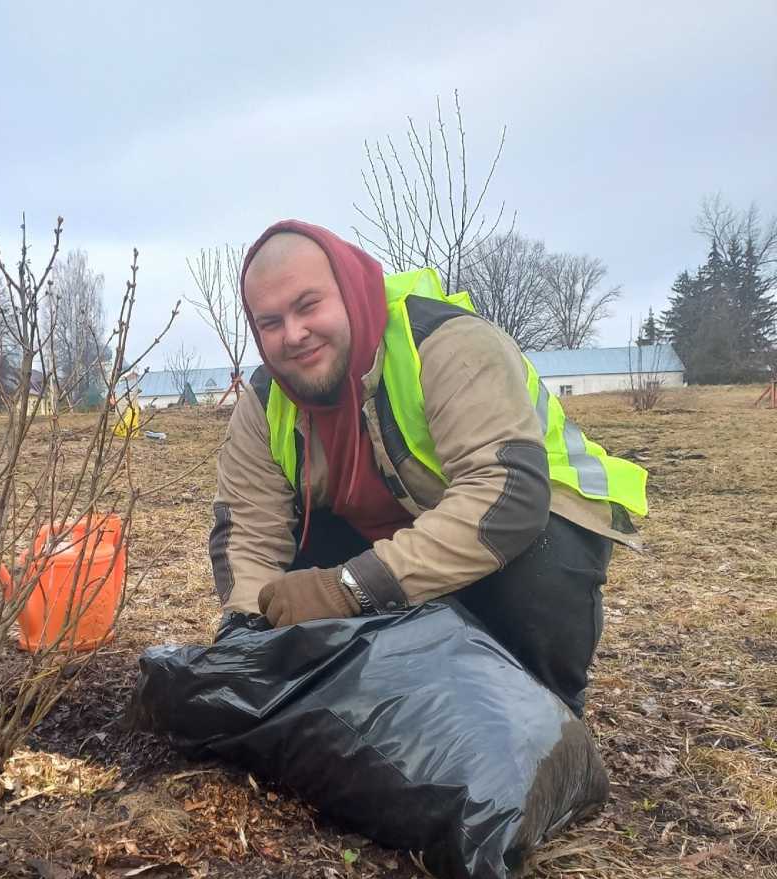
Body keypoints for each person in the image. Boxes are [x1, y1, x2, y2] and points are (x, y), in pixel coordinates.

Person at [209, 221, 648, 716]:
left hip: (522, 519)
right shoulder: (267, 399)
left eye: (309, 306)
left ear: (351, 292)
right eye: (270, 323)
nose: (293, 334)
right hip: (401, 540)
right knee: (287, 589)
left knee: (542, 556)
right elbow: (246, 529)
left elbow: (508, 499)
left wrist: (350, 588)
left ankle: (544, 721)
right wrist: (243, 632)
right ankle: (356, 707)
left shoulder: (444, 344)